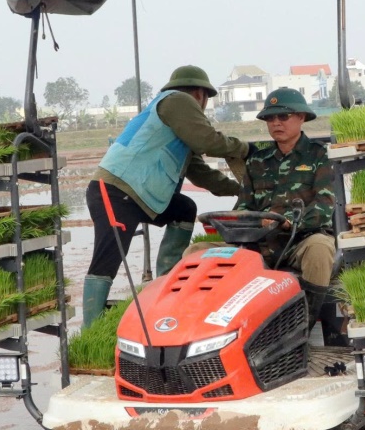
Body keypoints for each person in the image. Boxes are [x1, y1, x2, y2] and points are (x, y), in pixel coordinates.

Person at [83, 65, 249, 327]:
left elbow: (202, 174)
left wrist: (240, 189)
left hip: (140, 194)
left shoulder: (179, 127)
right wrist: (244, 149)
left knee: (183, 208)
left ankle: (168, 281)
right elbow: (209, 142)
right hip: (116, 191)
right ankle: (90, 329)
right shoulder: (178, 101)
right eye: (205, 100)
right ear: (199, 94)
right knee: (108, 258)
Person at [233, 87, 342, 344]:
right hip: (259, 245)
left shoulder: (320, 156)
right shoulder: (257, 161)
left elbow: (324, 207)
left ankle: (300, 330)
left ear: (302, 117)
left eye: (283, 117)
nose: (276, 123)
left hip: (300, 242)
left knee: (320, 249)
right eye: (270, 119)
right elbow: (242, 206)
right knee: (199, 253)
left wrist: (289, 223)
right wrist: (240, 223)